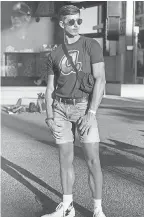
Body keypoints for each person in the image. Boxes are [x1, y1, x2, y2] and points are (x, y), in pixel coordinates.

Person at [43, 5, 106, 217]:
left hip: (83, 108)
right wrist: (50, 116)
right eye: (71, 21)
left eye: (79, 21)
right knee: (65, 159)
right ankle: (67, 207)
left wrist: (91, 113)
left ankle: (97, 210)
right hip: (60, 108)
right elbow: (50, 87)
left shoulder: (91, 45)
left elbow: (100, 79)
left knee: (92, 160)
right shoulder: (54, 53)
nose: (76, 25)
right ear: (62, 24)